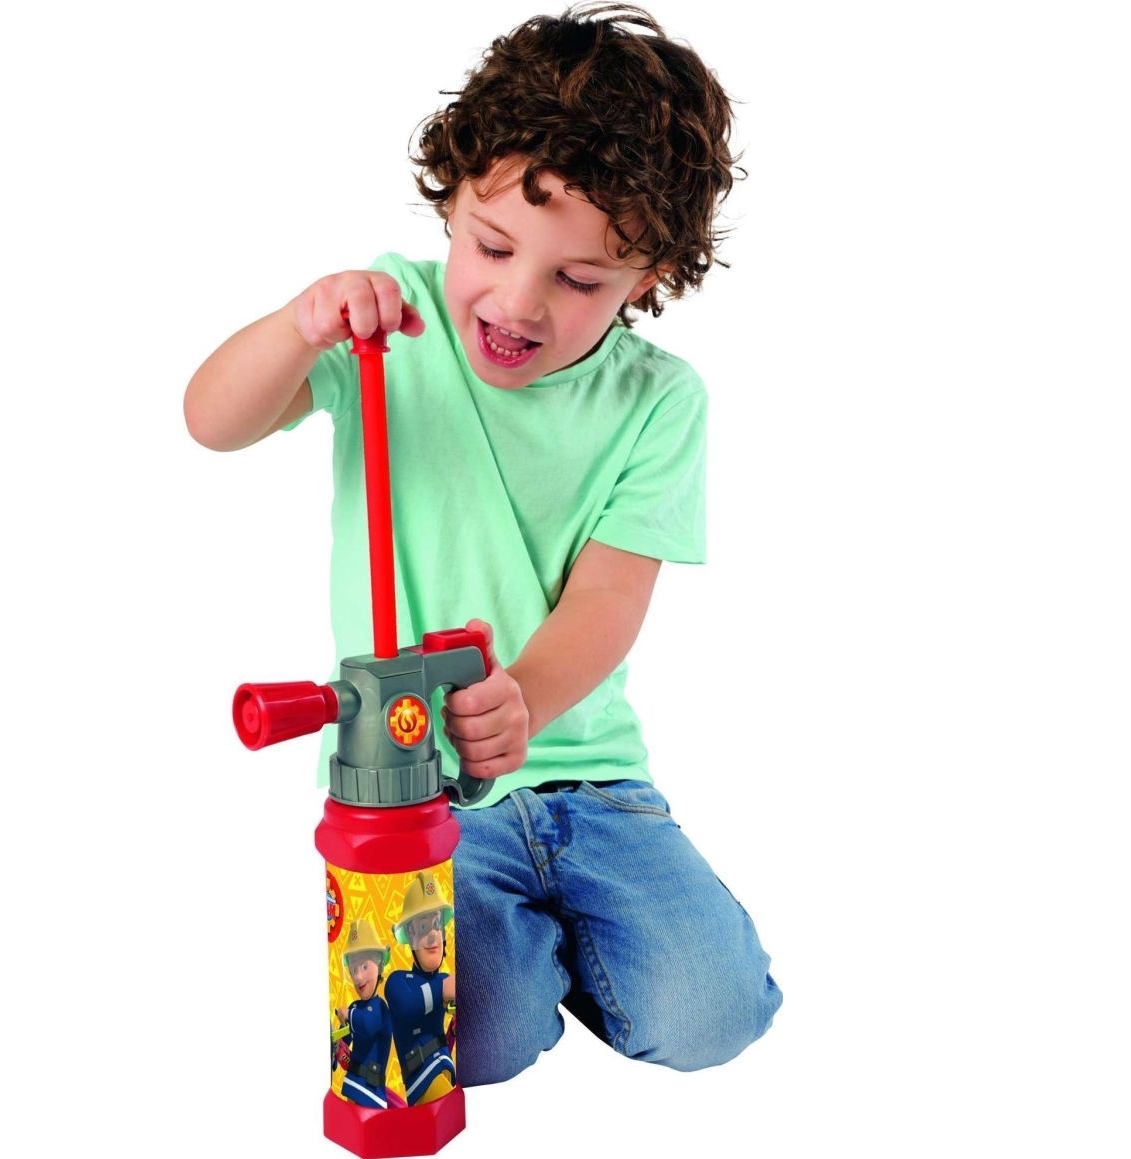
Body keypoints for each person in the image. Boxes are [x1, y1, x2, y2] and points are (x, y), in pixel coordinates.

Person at [185, 3, 781, 1086]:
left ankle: (575, 944)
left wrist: (527, 703)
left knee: (715, 1015)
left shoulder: (659, 402)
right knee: (466, 1044)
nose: (517, 298)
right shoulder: (384, 323)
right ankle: (526, 953)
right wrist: (297, 326)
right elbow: (211, 420)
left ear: (647, 275)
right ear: (450, 201)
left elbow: (607, 599)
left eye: (579, 278)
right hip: (415, 784)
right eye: (493, 246)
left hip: (592, 780)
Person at [383, 872, 458, 1105]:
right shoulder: (398, 982)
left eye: (436, 925)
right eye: (424, 927)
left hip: (446, 1070)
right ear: (410, 935)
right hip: (421, 1079)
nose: (433, 934)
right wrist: (443, 989)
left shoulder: (446, 979)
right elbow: (408, 1005)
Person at [334, 918, 396, 1109]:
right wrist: (337, 1043)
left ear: (379, 964)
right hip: (353, 1084)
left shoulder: (380, 1008)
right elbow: (346, 1038)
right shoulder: (355, 1007)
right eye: (354, 970)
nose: (358, 976)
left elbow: (367, 1025)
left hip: (371, 1093)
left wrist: (348, 1015)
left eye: (364, 967)